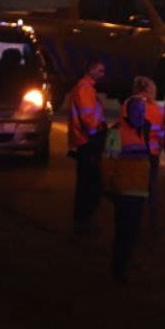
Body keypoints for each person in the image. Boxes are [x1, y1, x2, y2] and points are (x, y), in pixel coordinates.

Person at [101, 96, 153, 282]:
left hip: (138, 191)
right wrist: (108, 187)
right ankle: (119, 270)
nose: (141, 114)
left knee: (131, 233)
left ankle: (124, 266)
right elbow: (108, 163)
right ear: (128, 112)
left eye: (143, 111)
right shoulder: (117, 133)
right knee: (124, 233)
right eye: (137, 111)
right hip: (125, 191)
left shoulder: (139, 132)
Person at [68, 59, 108, 235]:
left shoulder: (86, 87)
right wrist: (98, 130)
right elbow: (88, 118)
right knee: (90, 184)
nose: (103, 74)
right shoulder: (85, 88)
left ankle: (83, 220)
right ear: (91, 71)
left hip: (86, 140)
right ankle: (84, 220)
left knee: (87, 183)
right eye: (100, 71)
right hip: (88, 141)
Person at [123, 76, 165, 234]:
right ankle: (153, 224)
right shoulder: (157, 108)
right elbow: (162, 133)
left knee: (134, 188)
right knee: (152, 188)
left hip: (134, 152)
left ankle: (133, 223)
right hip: (152, 153)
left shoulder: (129, 103)